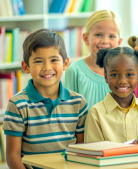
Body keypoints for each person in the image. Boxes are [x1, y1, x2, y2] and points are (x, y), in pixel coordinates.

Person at [2, 29, 88, 169]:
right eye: (38, 61)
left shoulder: (78, 103)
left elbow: (82, 150)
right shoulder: (17, 105)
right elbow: (13, 155)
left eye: (54, 60)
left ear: (65, 63)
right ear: (26, 66)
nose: (47, 67)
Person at [84, 47, 138, 144]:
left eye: (129, 74)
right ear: (106, 77)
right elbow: (94, 153)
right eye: (114, 75)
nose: (122, 81)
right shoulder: (96, 113)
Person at [65, 10, 122, 109]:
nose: (105, 41)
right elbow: (67, 109)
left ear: (119, 42)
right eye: (98, 35)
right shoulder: (75, 70)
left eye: (111, 36)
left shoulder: (124, 71)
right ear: (86, 38)